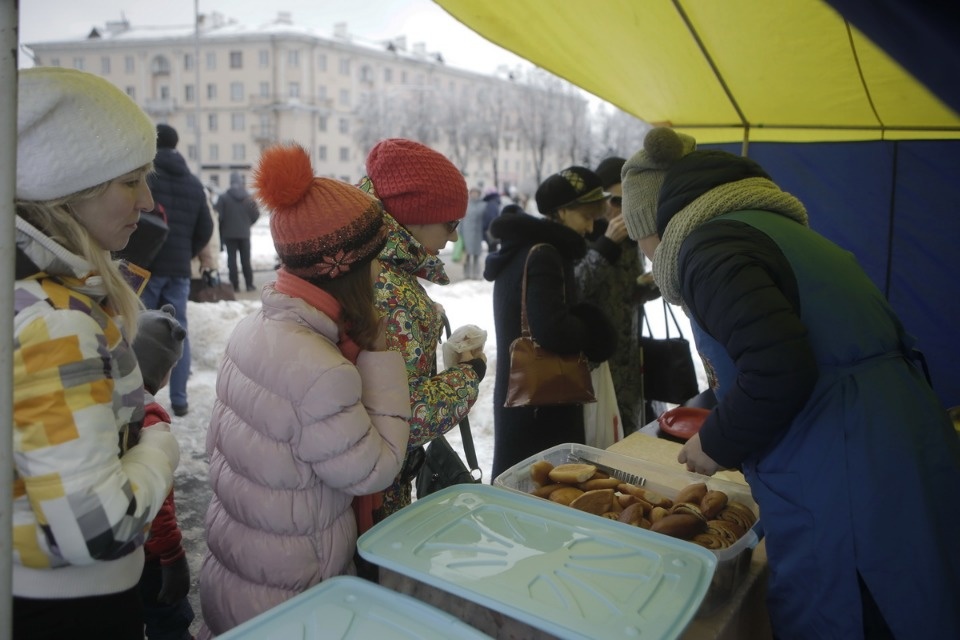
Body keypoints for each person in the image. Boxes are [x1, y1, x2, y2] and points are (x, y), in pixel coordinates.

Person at [623, 135, 960, 638]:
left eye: (639, 240)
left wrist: (717, 442)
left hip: (844, 467)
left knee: (850, 613)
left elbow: (778, 366)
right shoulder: (770, 229)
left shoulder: (708, 248)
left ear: (655, 226)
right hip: (896, 446)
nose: (645, 257)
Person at [198, 144, 411, 637]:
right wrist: (381, 358)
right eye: (377, 261)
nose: (382, 273)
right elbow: (375, 469)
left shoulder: (256, 329)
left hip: (242, 575)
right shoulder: (322, 368)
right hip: (294, 596)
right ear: (349, 270)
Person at [13, 66, 180, 640]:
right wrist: (159, 447)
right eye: (130, 180)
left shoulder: (36, 296)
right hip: (72, 608)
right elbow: (97, 529)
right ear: (68, 186)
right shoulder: (57, 320)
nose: (149, 200)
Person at [357, 138, 487, 521]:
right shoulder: (387, 287)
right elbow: (404, 418)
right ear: (415, 215)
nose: (453, 237)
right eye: (451, 223)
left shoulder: (373, 264)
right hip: (377, 494)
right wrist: (469, 375)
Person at [485, 166, 618, 478]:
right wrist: (590, 325)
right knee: (546, 491)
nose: (589, 228)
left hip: (522, 392)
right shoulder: (546, 254)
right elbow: (551, 330)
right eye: (586, 217)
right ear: (562, 212)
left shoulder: (521, 248)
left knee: (520, 489)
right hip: (543, 402)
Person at [575, 156, 662, 432]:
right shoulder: (582, 234)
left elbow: (629, 293)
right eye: (612, 200)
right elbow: (577, 288)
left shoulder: (632, 239)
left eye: (625, 201)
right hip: (593, 360)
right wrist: (607, 244)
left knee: (628, 432)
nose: (617, 209)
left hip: (628, 357)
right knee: (599, 435)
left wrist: (651, 284)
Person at [132, 305, 195, 640]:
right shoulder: (150, 418)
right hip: (149, 554)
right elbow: (158, 504)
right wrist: (172, 556)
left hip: (122, 550)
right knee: (169, 622)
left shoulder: (112, 402)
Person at [143, 123, 215, 417]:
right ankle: (180, 399)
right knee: (178, 331)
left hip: (146, 267)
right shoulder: (193, 182)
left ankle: (139, 395)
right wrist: (187, 251)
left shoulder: (145, 177)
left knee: (139, 329)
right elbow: (206, 227)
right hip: (179, 270)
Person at [215, 171, 261, 293]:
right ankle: (249, 284)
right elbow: (256, 214)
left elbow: (218, 217)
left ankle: (234, 285)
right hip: (244, 234)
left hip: (228, 235)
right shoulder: (248, 198)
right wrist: (247, 224)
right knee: (246, 260)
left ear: (230, 182)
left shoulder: (223, 198)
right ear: (240, 182)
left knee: (232, 260)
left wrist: (224, 226)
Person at [461, 186, 486, 279]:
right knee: (466, 255)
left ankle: (476, 274)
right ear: (470, 194)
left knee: (476, 255)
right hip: (466, 233)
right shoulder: (466, 205)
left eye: (476, 193)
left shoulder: (483, 205)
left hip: (477, 234)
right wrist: (459, 233)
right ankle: (466, 274)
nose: (474, 194)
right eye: (473, 192)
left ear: (479, 194)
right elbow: (461, 220)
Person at [482, 187, 502, 253]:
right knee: (494, 249)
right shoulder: (495, 202)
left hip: (490, 230)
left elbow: (490, 218)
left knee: (492, 250)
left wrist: (484, 228)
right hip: (494, 230)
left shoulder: (491, 204)